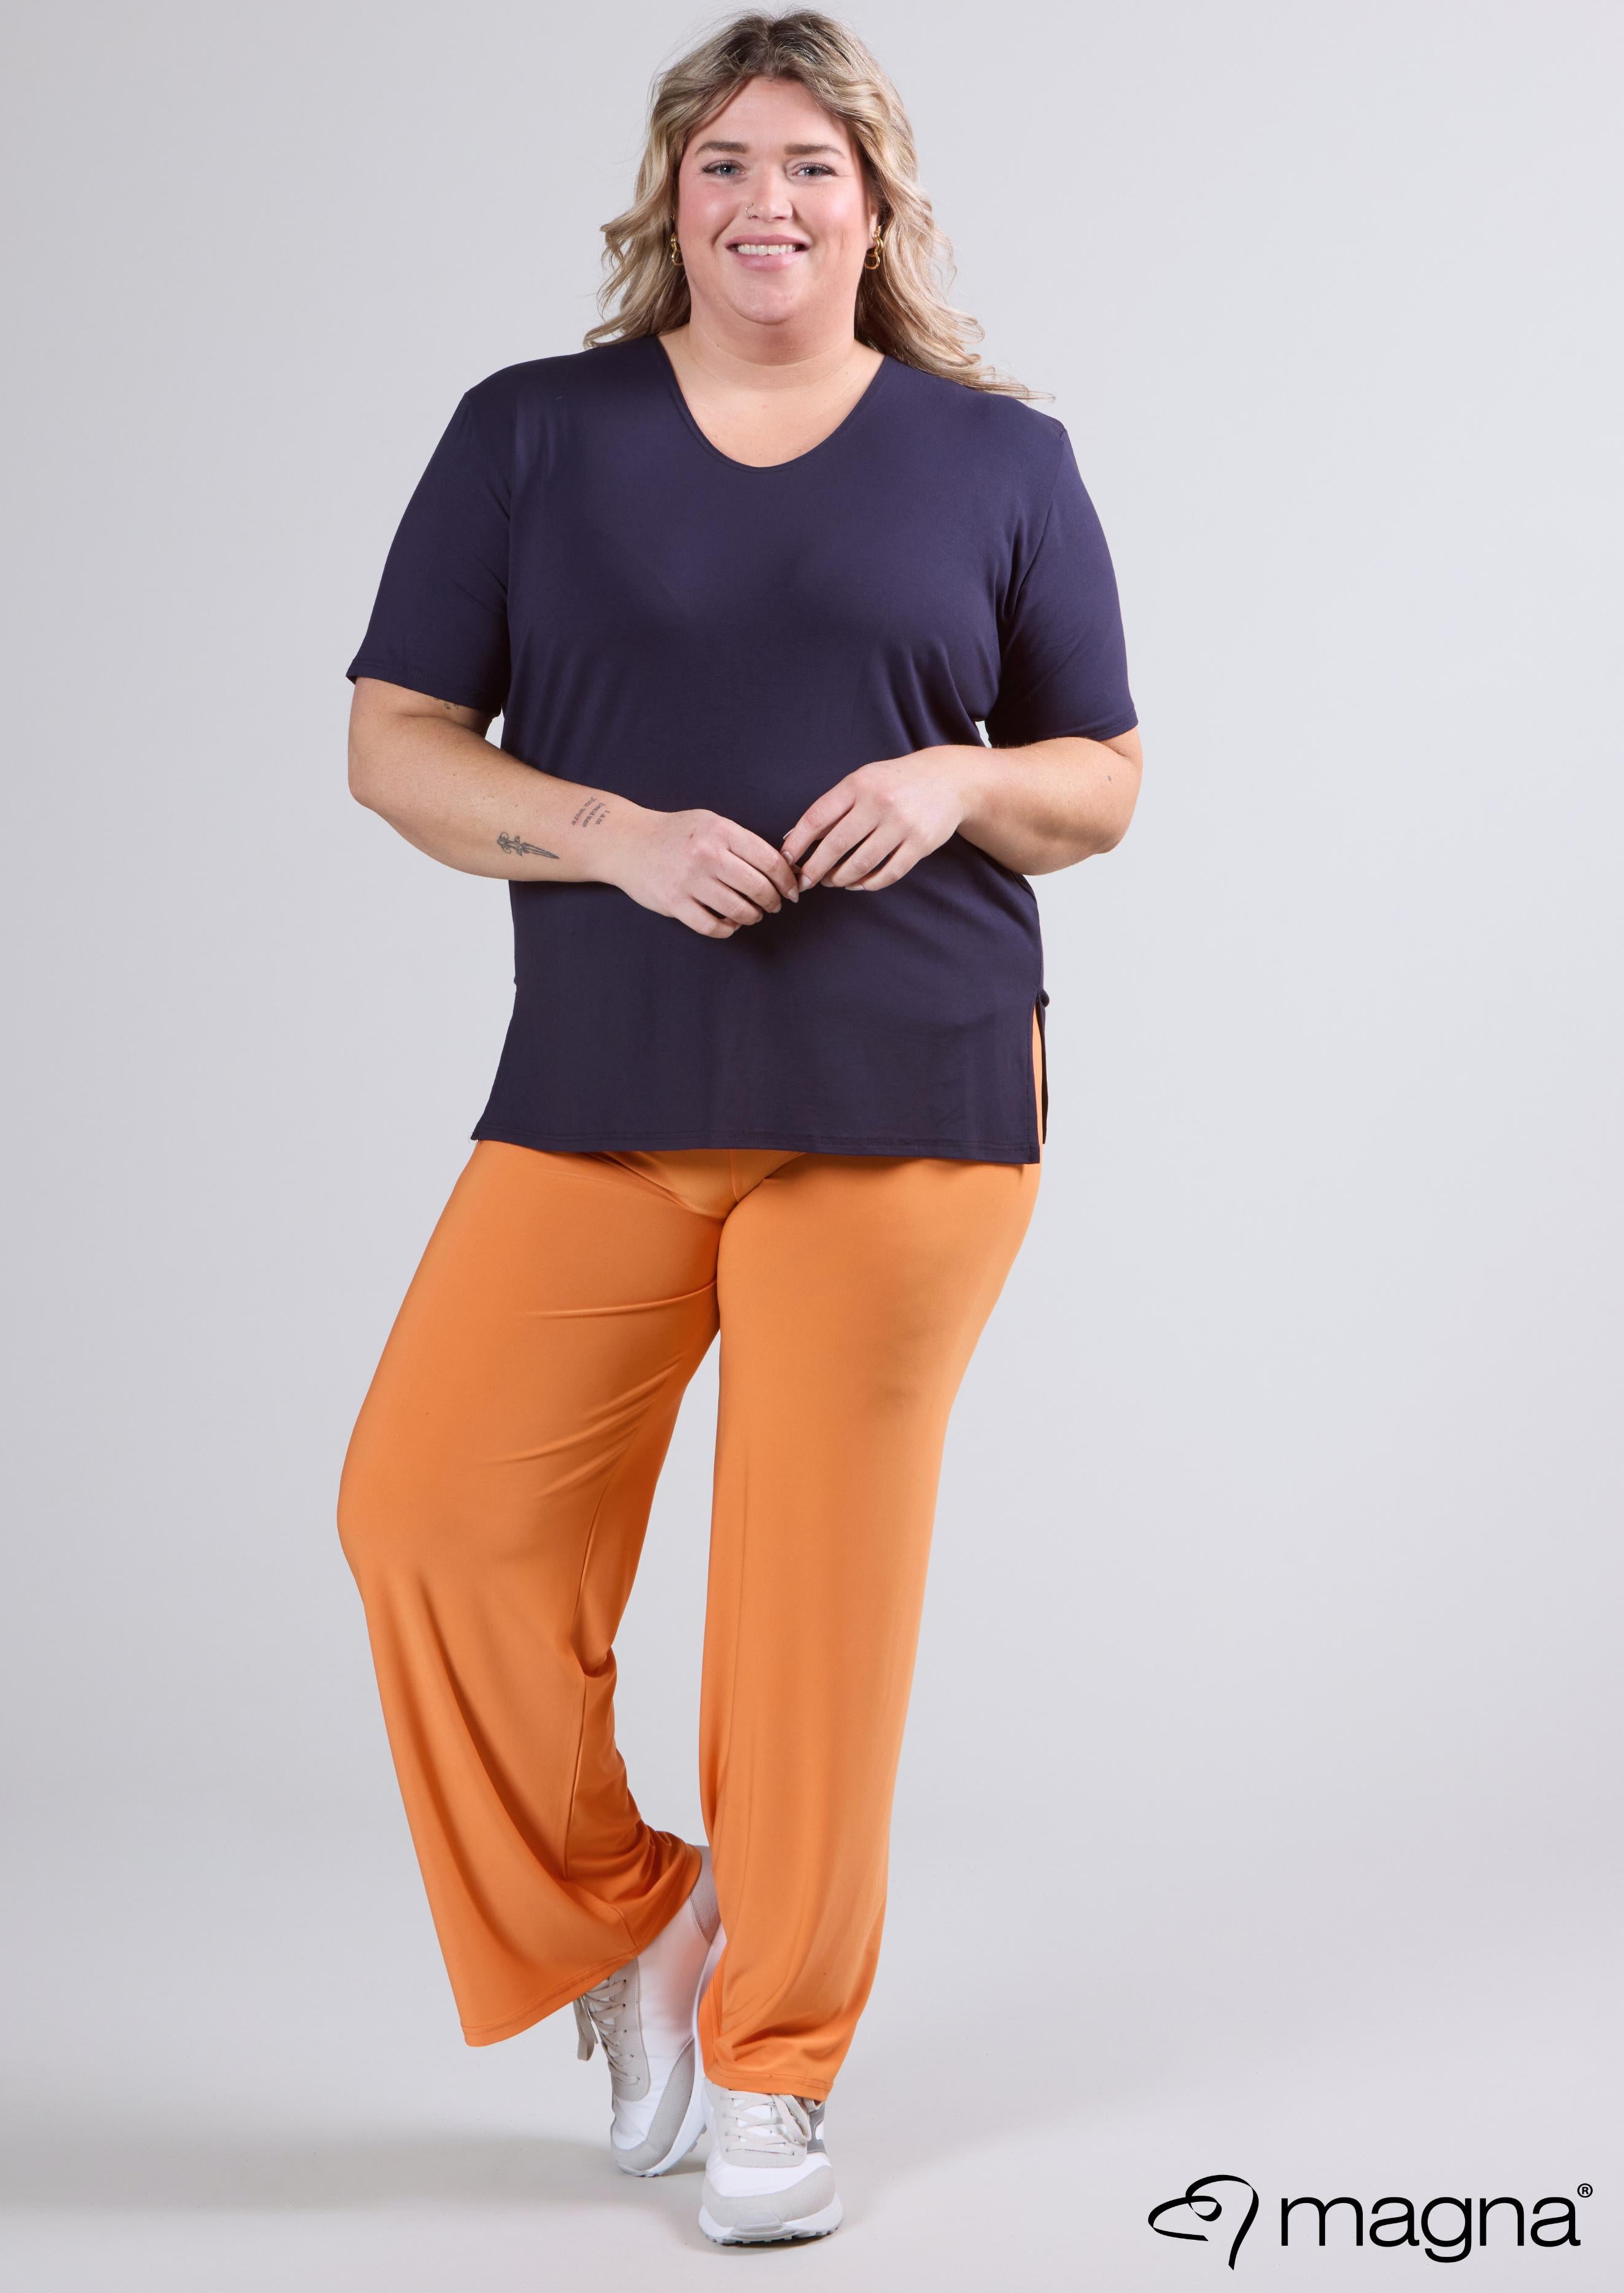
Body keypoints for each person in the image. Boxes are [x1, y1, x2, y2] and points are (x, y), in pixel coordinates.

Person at [337, 7, 1140, 2247]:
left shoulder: (999, 459)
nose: (765, 202)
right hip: (611, 1081)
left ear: (873, 210)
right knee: (427, 1515)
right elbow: (398, 743)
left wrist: (957, 782)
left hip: (911, 1091)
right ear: (669, 200)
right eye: (725, 164)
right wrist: (608, 832)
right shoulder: (532, 432)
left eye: (809, 167)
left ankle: (777, 2069)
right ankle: (637, 1924)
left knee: (808, 1599)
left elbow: (1102, 779)